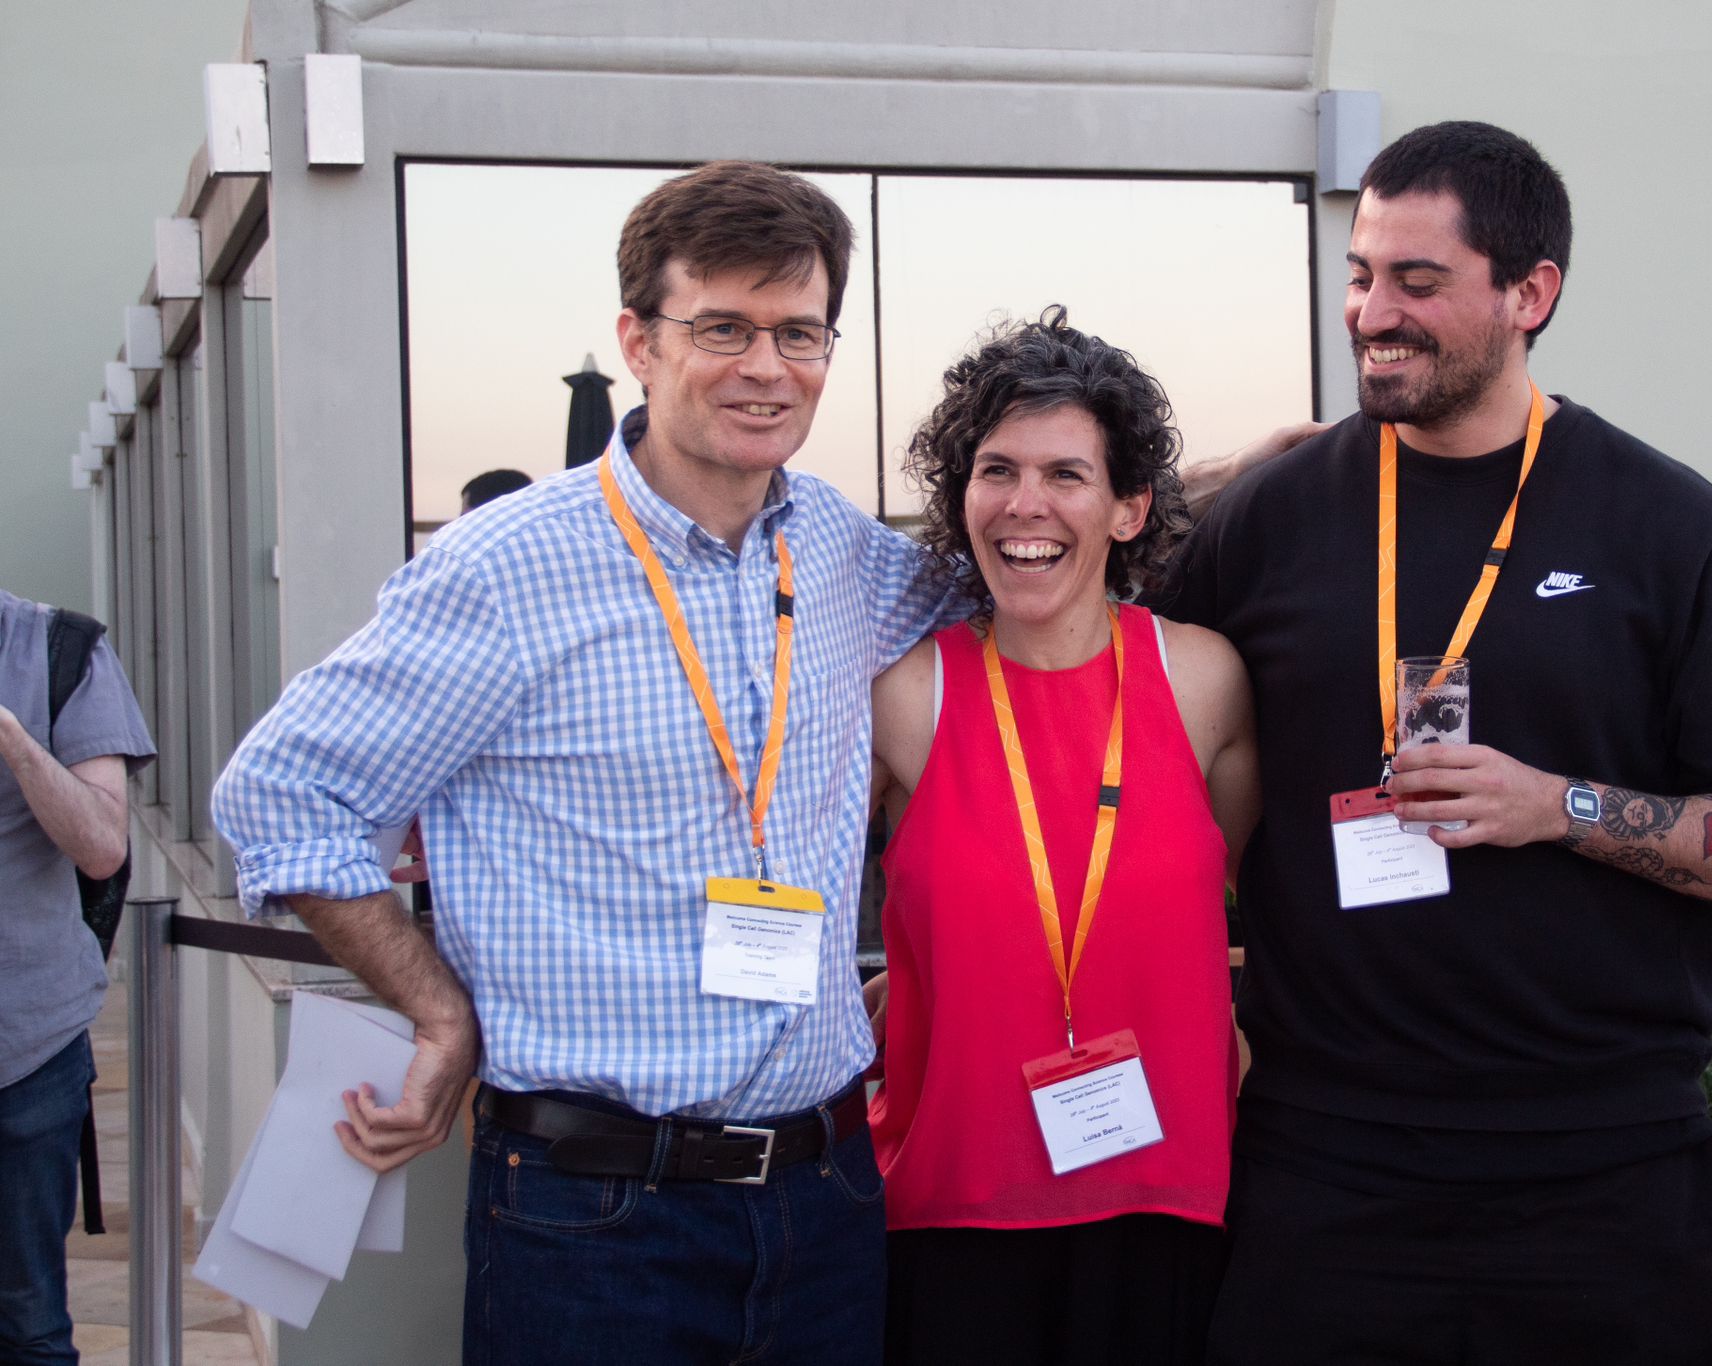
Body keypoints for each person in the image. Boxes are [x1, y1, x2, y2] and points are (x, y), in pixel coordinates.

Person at [212, 161, 1300, 1364]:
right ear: (638, 338)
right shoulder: (504, 569)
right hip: (594, 1209)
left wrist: (1232, 478)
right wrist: (436, 1014)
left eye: (798, 331)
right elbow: (282, 793)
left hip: (821, 1200)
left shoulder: (843, 555)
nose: (765, 366)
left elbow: (1034, 556)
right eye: (720, 326)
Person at [1154, 121, 1712, 1365]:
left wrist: (1555, 806)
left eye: (1416, 282)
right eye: (1361, 273)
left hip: (1599, 1176)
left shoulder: (1666, 525)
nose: (1371, 310)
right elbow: (1104, 690)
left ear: (1532, 293)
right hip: (1326, 1168)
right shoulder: (1271, 514)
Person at [866, 309, 1258, 1364]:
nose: (1024, 505)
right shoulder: (905, 696)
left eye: (1065, 475)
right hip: (954, 1215)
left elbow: (1245, 896)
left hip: (1165, 1206)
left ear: (1128, 509)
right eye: (995, 469)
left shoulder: (1202, 681)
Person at [0, 591, 153, 1364]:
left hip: (24, 1054)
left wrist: (13, 740)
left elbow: (101, 846)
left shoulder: (61, 651)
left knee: (26, 1326)